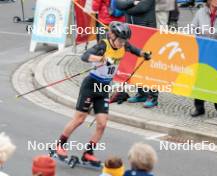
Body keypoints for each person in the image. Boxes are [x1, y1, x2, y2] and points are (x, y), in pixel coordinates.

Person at [55, 21, 152, 162]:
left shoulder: (124, 44)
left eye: (124, 40)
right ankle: (60, 145)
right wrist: (103, 59)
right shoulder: (103, 45)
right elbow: (85, 56)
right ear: (112, 35)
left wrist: (145, 54)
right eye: (120, 40)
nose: (122, 43)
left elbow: (135, 50)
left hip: (104, 88)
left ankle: (88, 153)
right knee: (80, 119)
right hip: (91, 85)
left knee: (102, 124)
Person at [190, 0, 217, 119]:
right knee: (201, 80)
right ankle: (199, 107)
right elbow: (192, 28)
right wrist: (197, 40)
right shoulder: (200, 13)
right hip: (203, 51)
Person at [116, 0, 159, 108]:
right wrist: (133, 2)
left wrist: (127, 6)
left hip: (147, 32)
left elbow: (141, 8)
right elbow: (118, 4)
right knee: (136, 63)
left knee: (149, 66)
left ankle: (153, 96)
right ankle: (142, 93)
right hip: (133, 31)